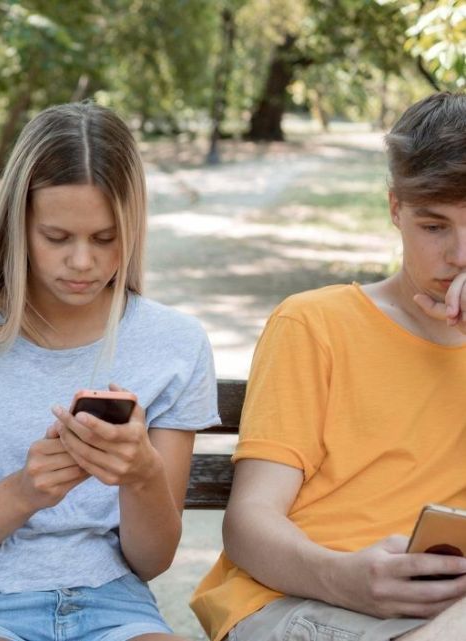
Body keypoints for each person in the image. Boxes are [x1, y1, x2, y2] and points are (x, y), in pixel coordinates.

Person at [0, 102, 219, 641]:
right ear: (17, 226)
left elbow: (153, 560)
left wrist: (141, 475)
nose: (82, 262)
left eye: (105, 238)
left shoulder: (175, 344)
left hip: (118, 603)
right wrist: (25, 491)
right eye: (56, 237)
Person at [190, 92, 466, 641]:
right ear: (395, 209)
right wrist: (347, 580)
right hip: (296, 598)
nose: (460, 255)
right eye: (434, 226)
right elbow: (248, 523)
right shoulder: (315, 324)